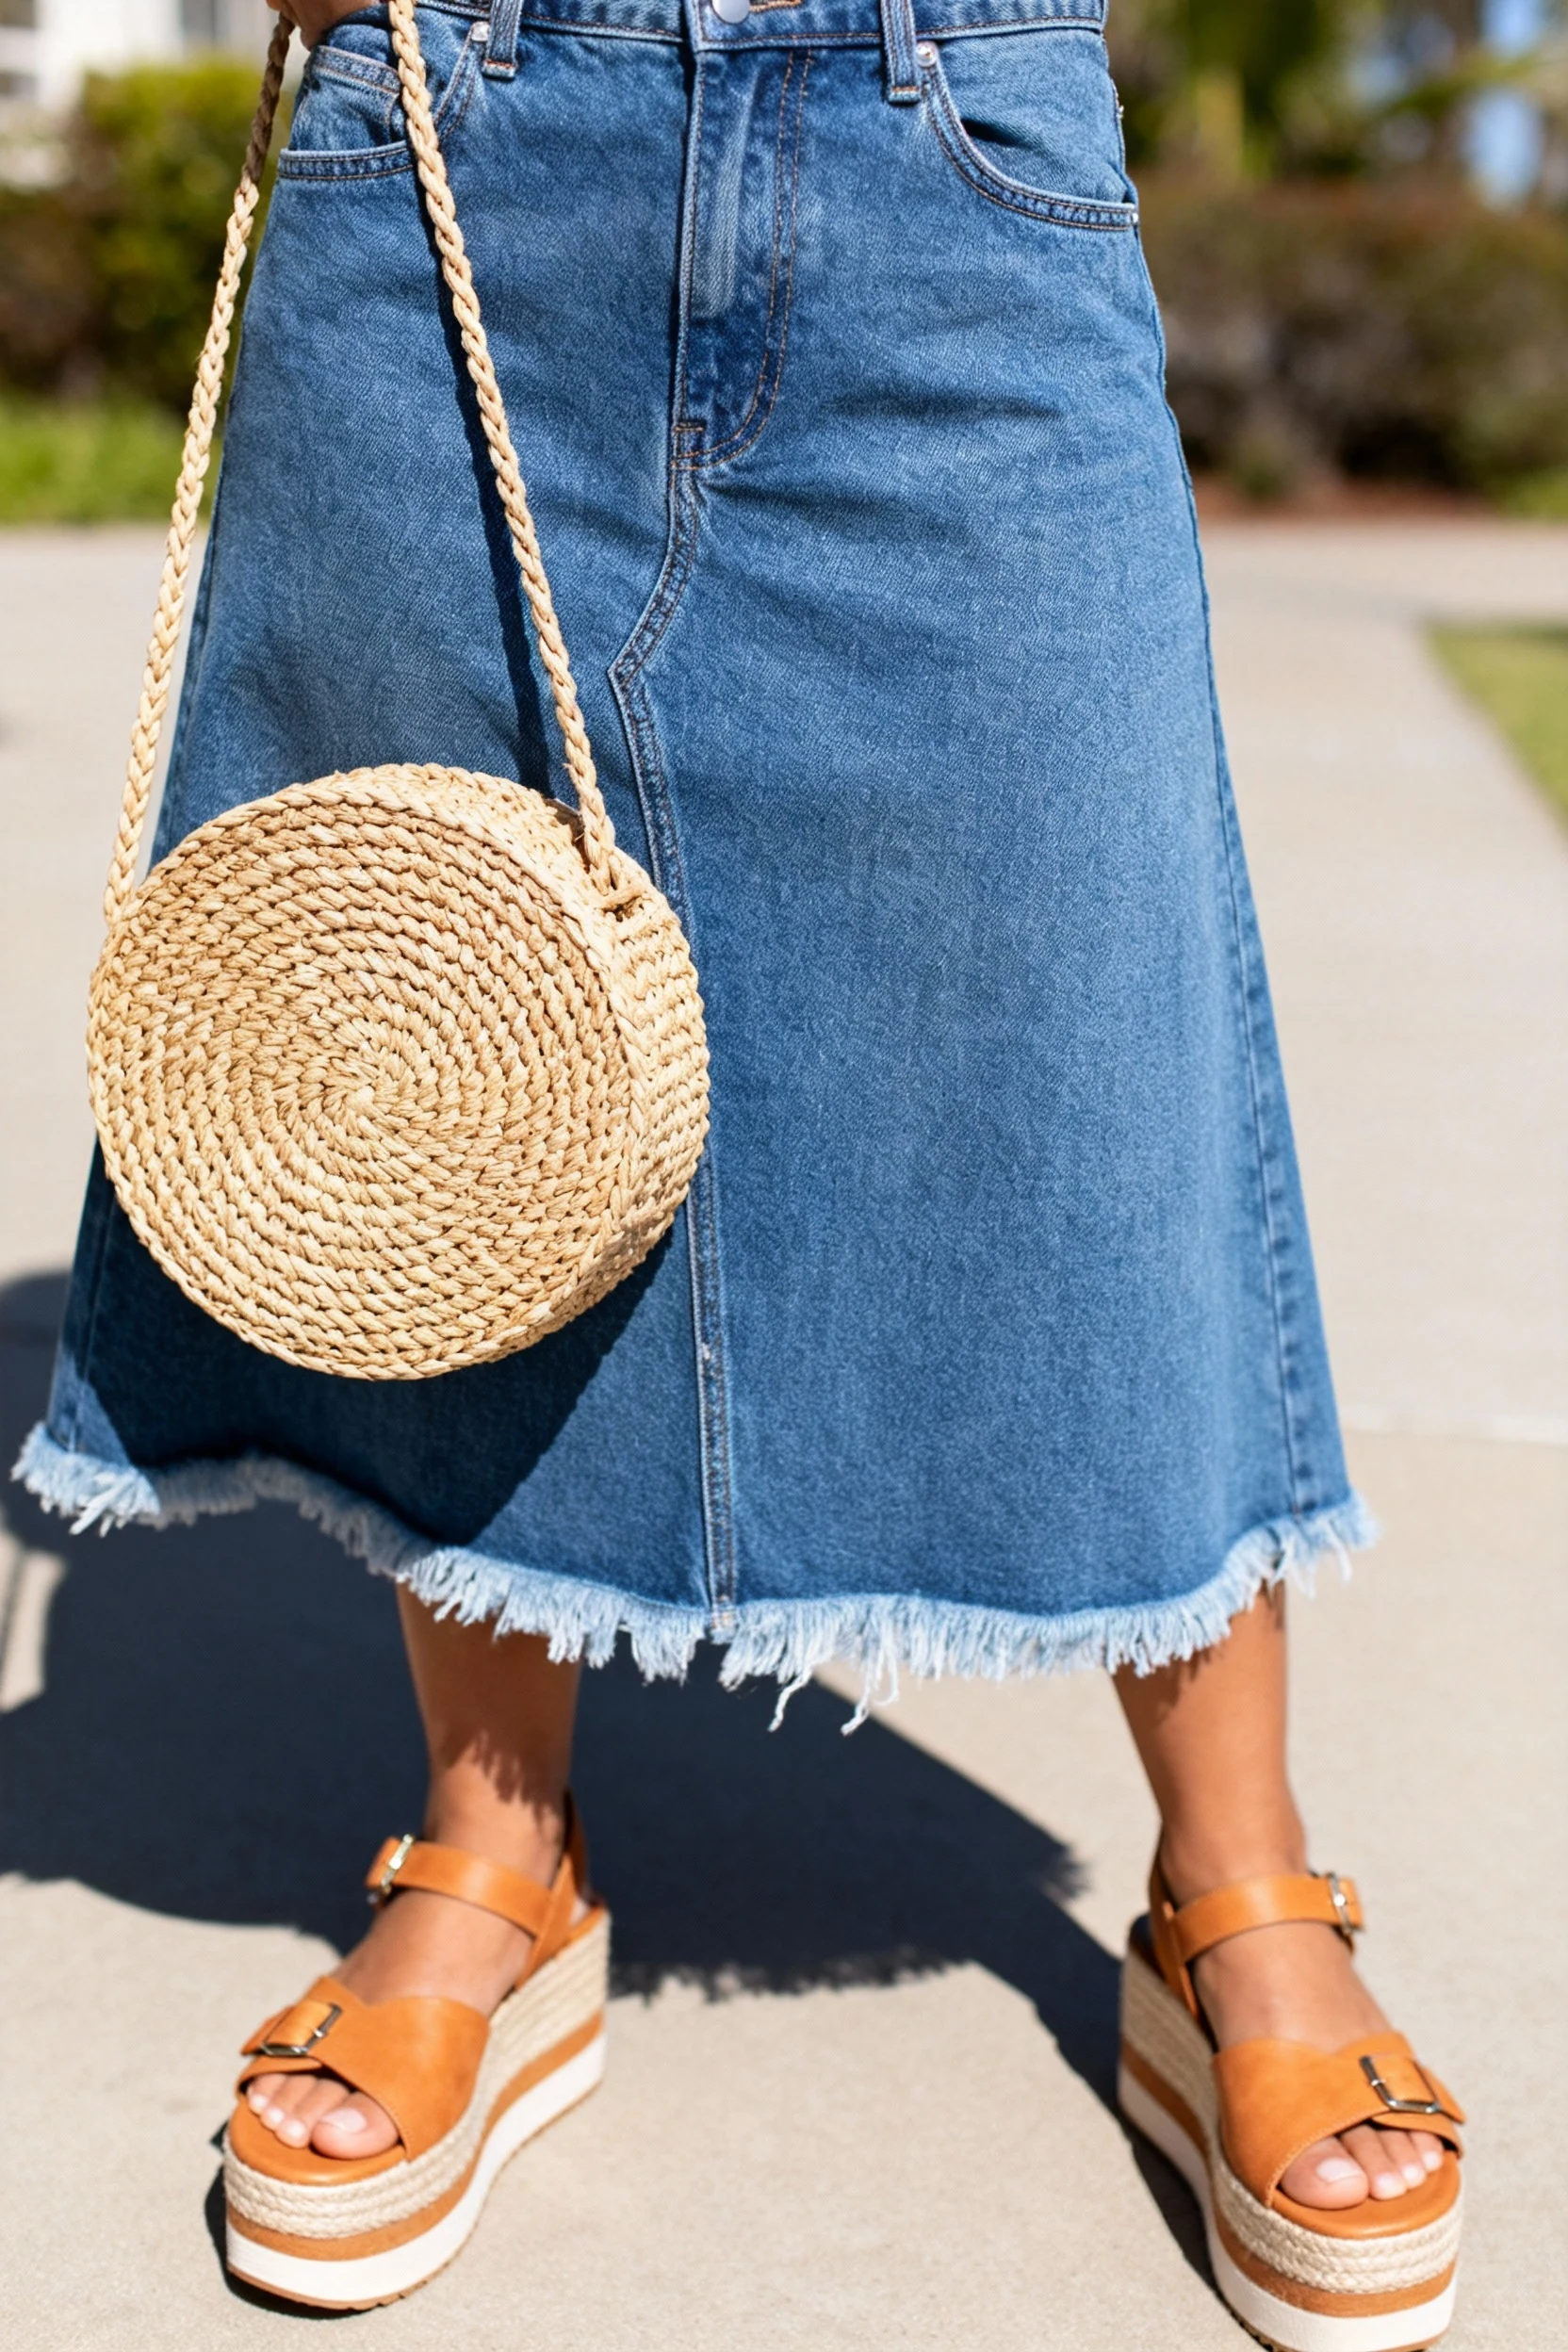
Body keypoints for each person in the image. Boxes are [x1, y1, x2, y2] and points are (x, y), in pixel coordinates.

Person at [19, 0, 1463, 2339]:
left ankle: (1236, 1889)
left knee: (1091, 1028)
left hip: (952, 133)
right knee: (443, 1035)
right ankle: (497, 1853)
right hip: (450, 130)